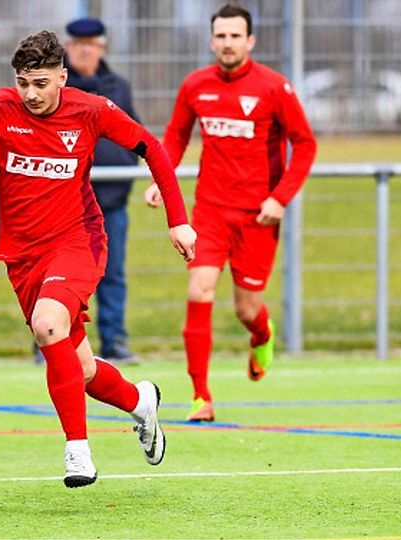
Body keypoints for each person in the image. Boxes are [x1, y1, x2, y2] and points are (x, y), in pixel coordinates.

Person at [0, 30, 196, 488]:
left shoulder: (89, 109)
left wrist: (178, 219)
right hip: (21, 254)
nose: (30, 94)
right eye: (22, 82)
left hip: (78, 240)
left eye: (40, 83)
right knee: (83, 369)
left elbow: (151, 148)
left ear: (62, 77)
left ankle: (78, 452)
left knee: (47, 325)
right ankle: (140, 402)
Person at [145, 3, 316, 422]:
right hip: (209, 212)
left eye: (235, 36)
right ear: (211, 40)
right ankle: (201, 396)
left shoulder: (274, 88)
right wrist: (158, 179)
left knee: (246, 309)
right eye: (220, 36)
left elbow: (305, 144)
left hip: (257, 217)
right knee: (198, 290)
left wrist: (280, 198)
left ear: (250, 41)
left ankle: (262, 332)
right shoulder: (195, 85)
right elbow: (176, 135)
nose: (227, 43)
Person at [63, 16, 140, 363]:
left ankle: (114, 341)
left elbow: (135, 136)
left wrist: (126, 170)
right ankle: (54, 340)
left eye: (91, 44)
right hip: (65, 203)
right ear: (68, 47)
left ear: (101, 47)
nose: (84, 50)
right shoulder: (57, 86)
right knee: (61, 274)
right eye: (78, 44)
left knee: (113, 273)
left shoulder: (118, 86)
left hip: (111, 199)